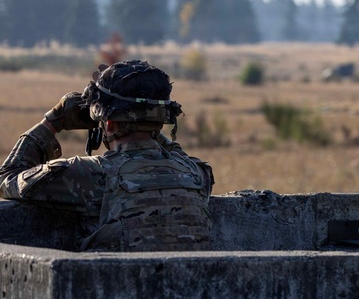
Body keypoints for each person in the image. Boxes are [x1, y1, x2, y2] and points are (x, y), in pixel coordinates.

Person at [0, 59, 214, 252]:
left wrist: (53, 121)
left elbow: (7, 177)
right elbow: (174, 155)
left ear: (108, 124)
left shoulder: (90, 175)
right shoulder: (196, 175)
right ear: (161, 120)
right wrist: (147, 126)